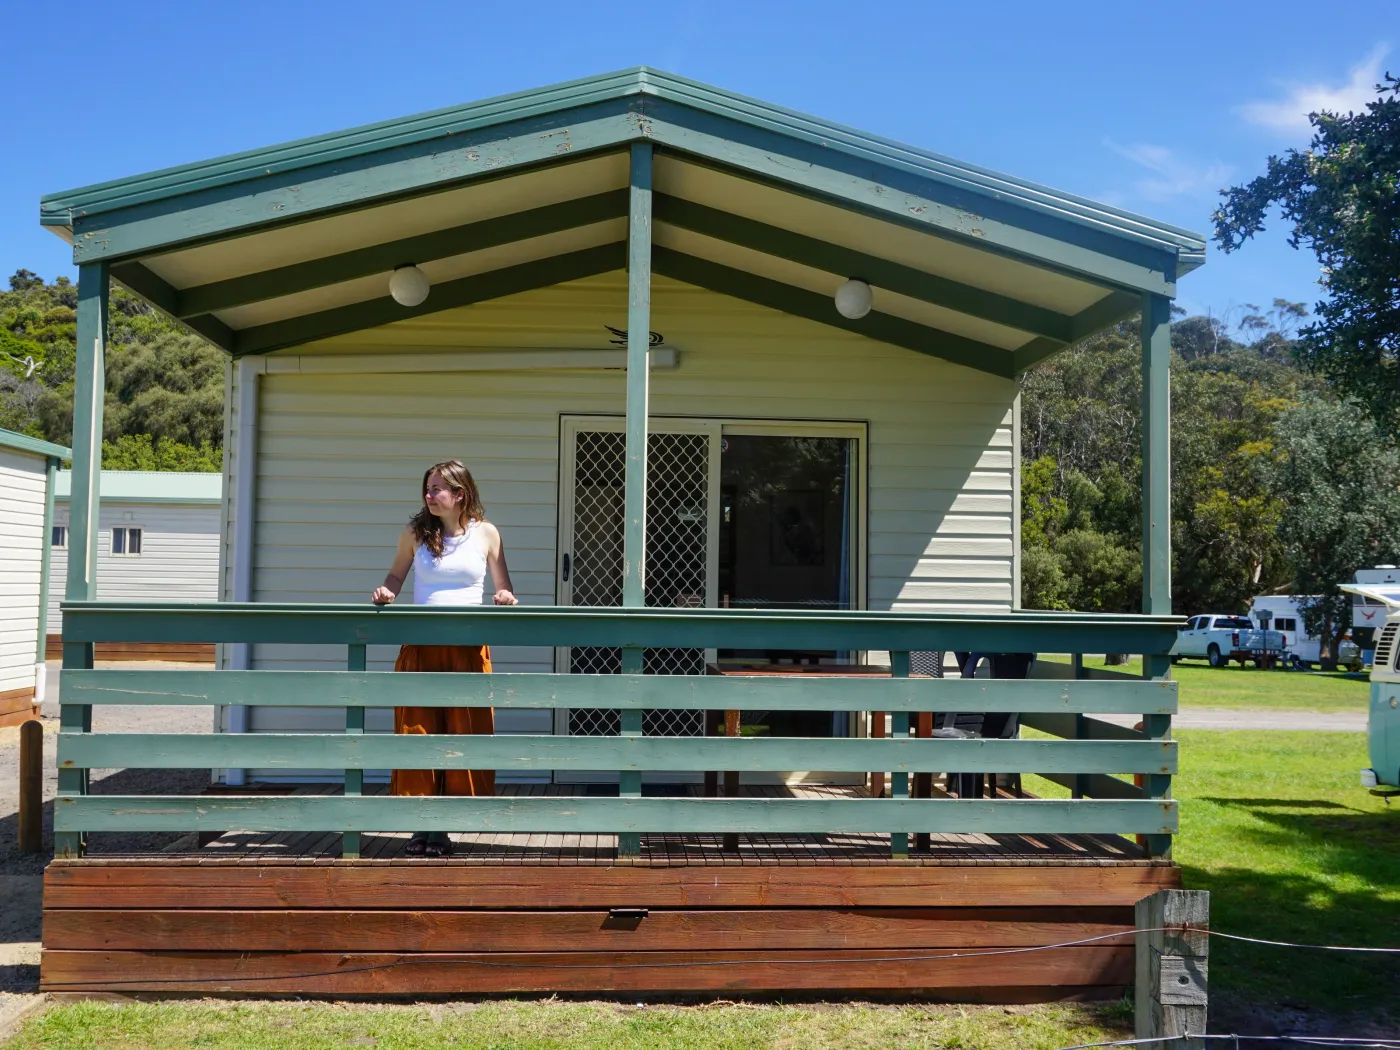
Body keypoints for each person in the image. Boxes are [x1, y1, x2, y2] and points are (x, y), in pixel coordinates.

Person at [371, 459, 518, 857]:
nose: (429, 495)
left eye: (437, 488)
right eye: (428, 487)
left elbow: (502, 585)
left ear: (460, 494)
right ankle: (422, 828)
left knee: (463, 734)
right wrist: (386, 592)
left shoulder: (486, 533)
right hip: (421, 646)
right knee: (419, 734)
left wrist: (504, 597)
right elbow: (396, 576)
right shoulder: (416, 533)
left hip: (468, 649)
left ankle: (447, 827)